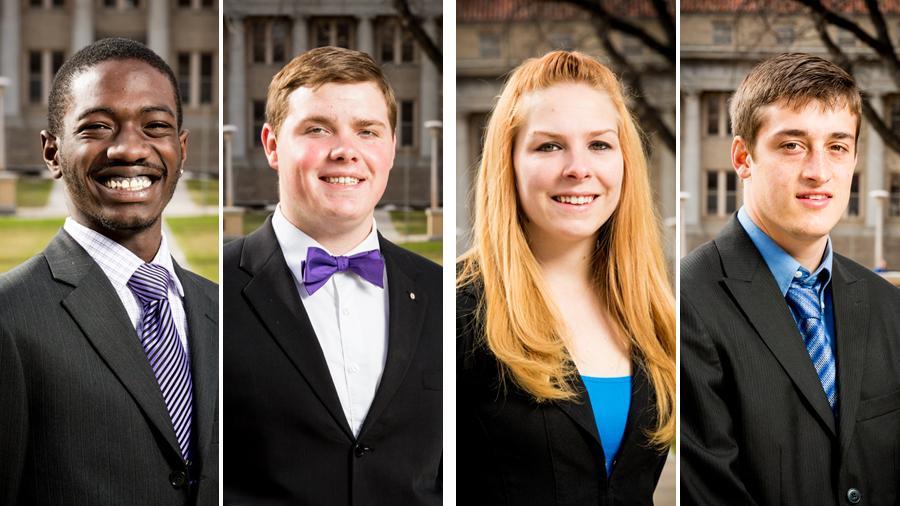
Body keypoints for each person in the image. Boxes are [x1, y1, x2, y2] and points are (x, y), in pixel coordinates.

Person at [0, 38, 218, 505]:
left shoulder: (224, 311)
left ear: (181, 149)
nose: (129, 149)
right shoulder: (9, 317)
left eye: (155, 125)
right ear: (52, 153)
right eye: (97, 126)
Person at [223, 46, 441, 505]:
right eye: (317, 129)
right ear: (272, 146)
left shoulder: (445, 297)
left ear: (392, 149)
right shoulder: (208, 293)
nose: (346, 151)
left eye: (368, 131)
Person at [456, 50, 675, 505]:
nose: (578, 168)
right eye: (549, 146)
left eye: (599, 144)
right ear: (509, 162)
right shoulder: (455, 310)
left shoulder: (655, 311)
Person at [681, 53, 900, 505]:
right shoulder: (686, 301)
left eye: (837, 146)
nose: (819, 171)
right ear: (743, 158)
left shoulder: (887, 305)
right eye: (792, 145)